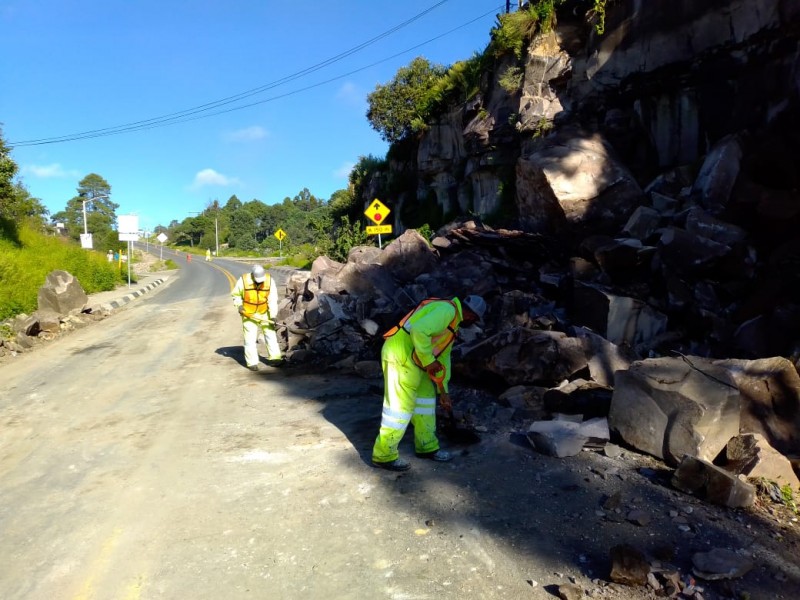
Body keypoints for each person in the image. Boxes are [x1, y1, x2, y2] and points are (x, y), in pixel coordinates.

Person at [371, 295, 487, 471]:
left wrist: (444, 391)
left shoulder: (453, 324)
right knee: (400, 408)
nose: (471, 322)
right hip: (401, 354)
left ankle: (427, 447)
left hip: (419, 359)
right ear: (470, 314)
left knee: (425, 402)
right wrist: (429, 361)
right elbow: (419, 329)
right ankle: (383, 455)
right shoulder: (447, 310)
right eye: (474, 319)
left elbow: (444, 357)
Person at [231, 265, 282, 371]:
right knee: (250, 339)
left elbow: (272, 299)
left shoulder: (269, 281)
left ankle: (275, 358)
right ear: (253, 276)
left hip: (264, 312)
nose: (259, 282)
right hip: (249, 313)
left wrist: (273, 316)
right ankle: (252, 362)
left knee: (270, 335)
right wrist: (239, 305)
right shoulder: (243, 280)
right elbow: (236, 295)